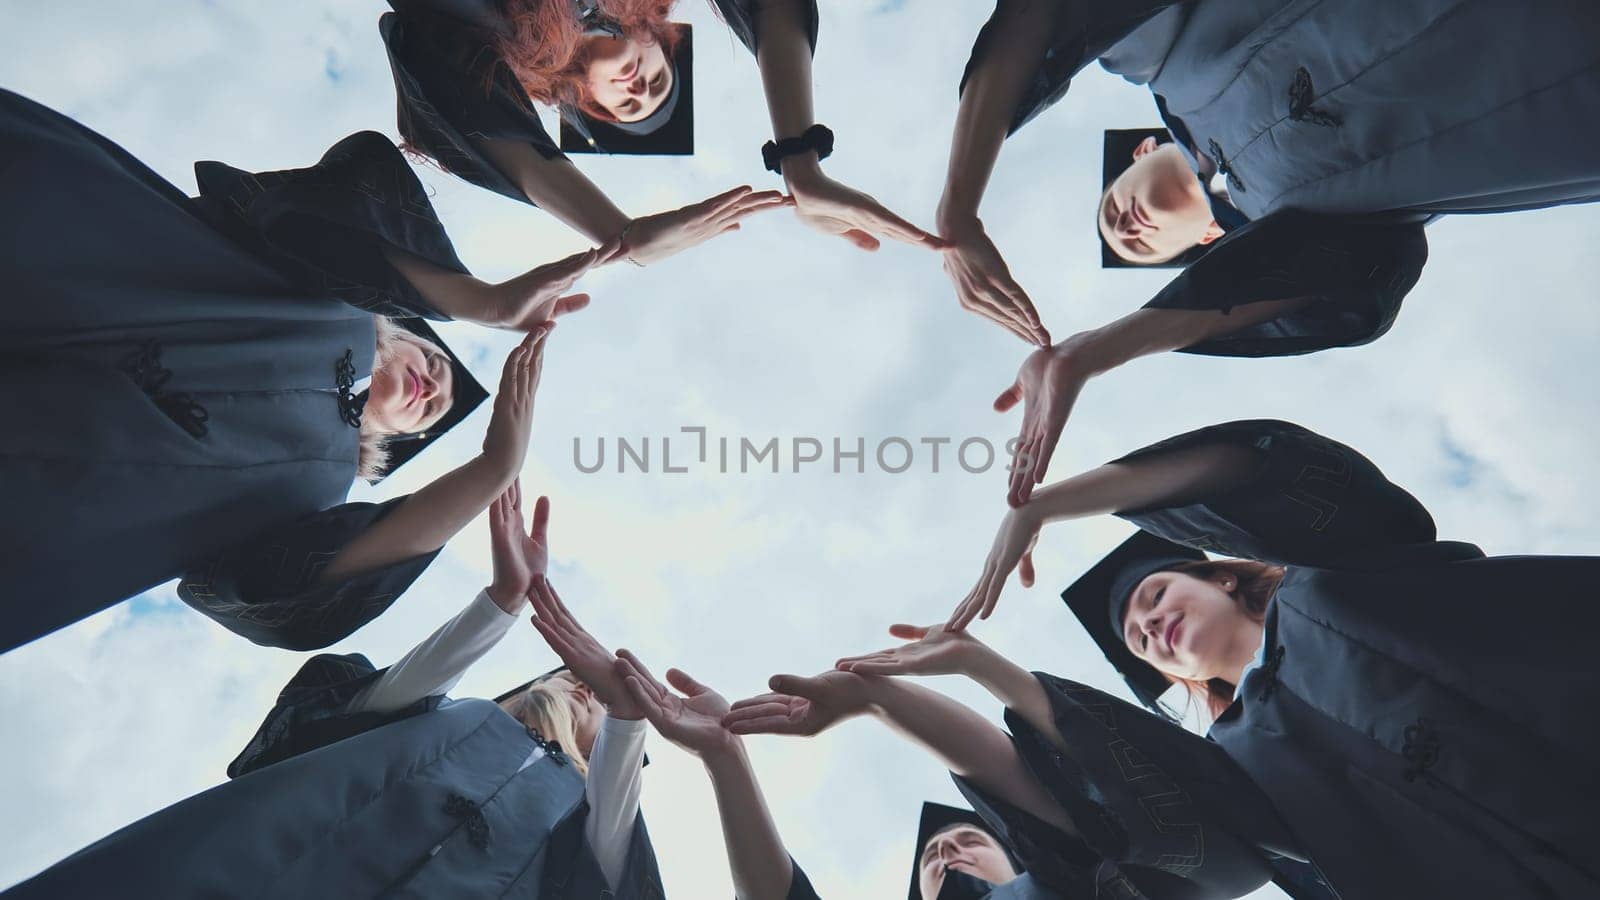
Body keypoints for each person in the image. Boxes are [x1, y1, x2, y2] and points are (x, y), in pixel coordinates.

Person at [0, 88, 603, 653]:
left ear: (396, 439)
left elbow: (285, 598)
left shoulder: (313, 493)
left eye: (434, 408)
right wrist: (477, 300)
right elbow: (310, 204)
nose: (435, 386)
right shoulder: (328, 296)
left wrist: (494, 470)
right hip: (52, 260)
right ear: (402, 330)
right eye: (435, 363)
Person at [940, 0, 1600, 503]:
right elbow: (1347, 292)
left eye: (1111, 209)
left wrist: (959, 204)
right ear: (1204, 242)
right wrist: (1096, 352)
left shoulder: (1168, 57)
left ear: (1140, 150)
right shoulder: (1304, 229)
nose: (1127, 222)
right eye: (1135, 242)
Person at [929, 417, 1600, 897]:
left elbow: (1266, 468)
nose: (1149, 621)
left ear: (1220, 576)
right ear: (1174, 678)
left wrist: (1050, 504)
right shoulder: (1238, 760)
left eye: (1155, 593)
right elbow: (1154, 818)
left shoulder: (1334, 577)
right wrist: (984, 669)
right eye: (1138, 637)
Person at [2, 481, 671, 898]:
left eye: (592, 692)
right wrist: (499, 602)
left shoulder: (587, 822)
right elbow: (392, 696)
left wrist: (626, 717)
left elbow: (613, 850)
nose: (581, 686)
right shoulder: (446, 720)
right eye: (570, 674)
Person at [379, 0, 943, 266]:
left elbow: (452, 99)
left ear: (590, 100)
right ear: (659, 37)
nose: (640, 88)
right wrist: (800, 157)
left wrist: (617, 234)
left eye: (627, 103)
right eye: (657, 80)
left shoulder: (492, 52)